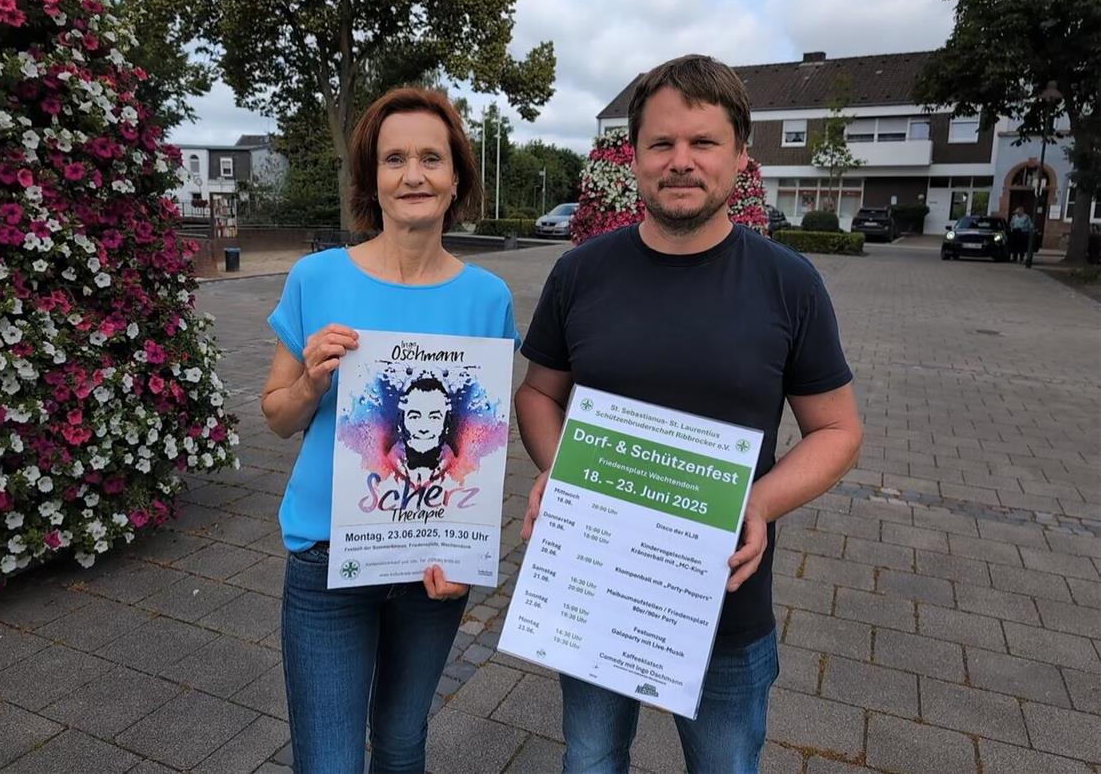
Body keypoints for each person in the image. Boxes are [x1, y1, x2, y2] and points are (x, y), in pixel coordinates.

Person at [515, 54, 863, 774]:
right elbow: (539, 393)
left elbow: (837, 429)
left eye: (703, 142)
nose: (681, 161)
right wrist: (561, 469)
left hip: (726, 601)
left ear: (740, 156)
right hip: (598, 586)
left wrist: (759, 502)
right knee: (591, 757)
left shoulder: (789, 284)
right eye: (662, 143)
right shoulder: (580, 273)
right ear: (635, 157)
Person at [261, 87, 519, 774]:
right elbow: (277, 416)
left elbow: (480, 442)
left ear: (457, 177)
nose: (413, 175)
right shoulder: (316, 278)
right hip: (327, 557)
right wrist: (312, 381)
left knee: (403, 745)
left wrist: (469, 548)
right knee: (329, 760)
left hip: (433, 563)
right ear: (371, 178)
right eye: (394, 158)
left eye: (431, 158)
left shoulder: (488, 297)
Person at [389, 375, 456, 487]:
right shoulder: (384, 473)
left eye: (434, 417)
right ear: (401, 423)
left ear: (447, 425)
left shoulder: (463, 476)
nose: (424, 428)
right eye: (414, 417)